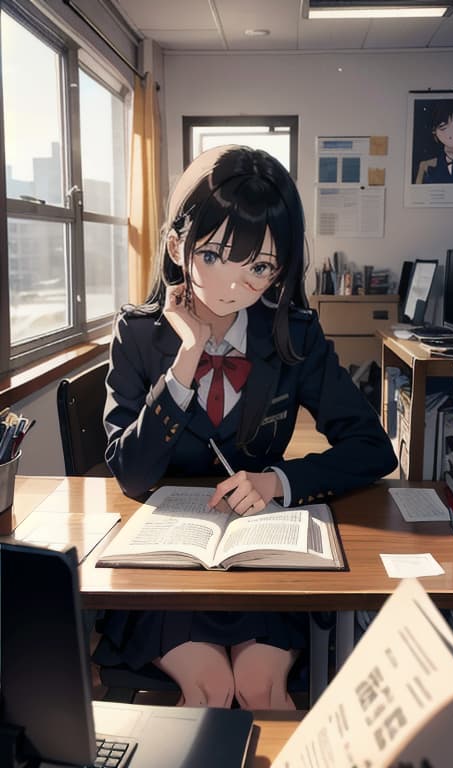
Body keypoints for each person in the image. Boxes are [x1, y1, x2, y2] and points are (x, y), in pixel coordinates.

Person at [95, 145, 397, 709]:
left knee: (260, 688)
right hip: (170, 568)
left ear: (280, 269)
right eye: (213, 256)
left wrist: (278, 481)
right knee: (208, 688)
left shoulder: (294, 334)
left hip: (261, 558)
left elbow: (373, 449)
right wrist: (186, 357)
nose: (234, 287)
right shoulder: (137, 335)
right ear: (177, 247)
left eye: (258, 267)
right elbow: (132, 475)